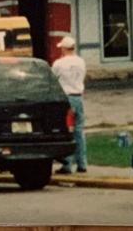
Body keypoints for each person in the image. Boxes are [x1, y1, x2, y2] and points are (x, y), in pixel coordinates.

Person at [51, 36, 87, 175]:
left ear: (64, 48)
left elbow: (53, 79)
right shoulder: (81, 61)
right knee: (79, 130)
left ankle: (67, 164)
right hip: (78, 96)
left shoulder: (59, 63)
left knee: (67, 131)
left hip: (66, 97)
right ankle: (82, 163)